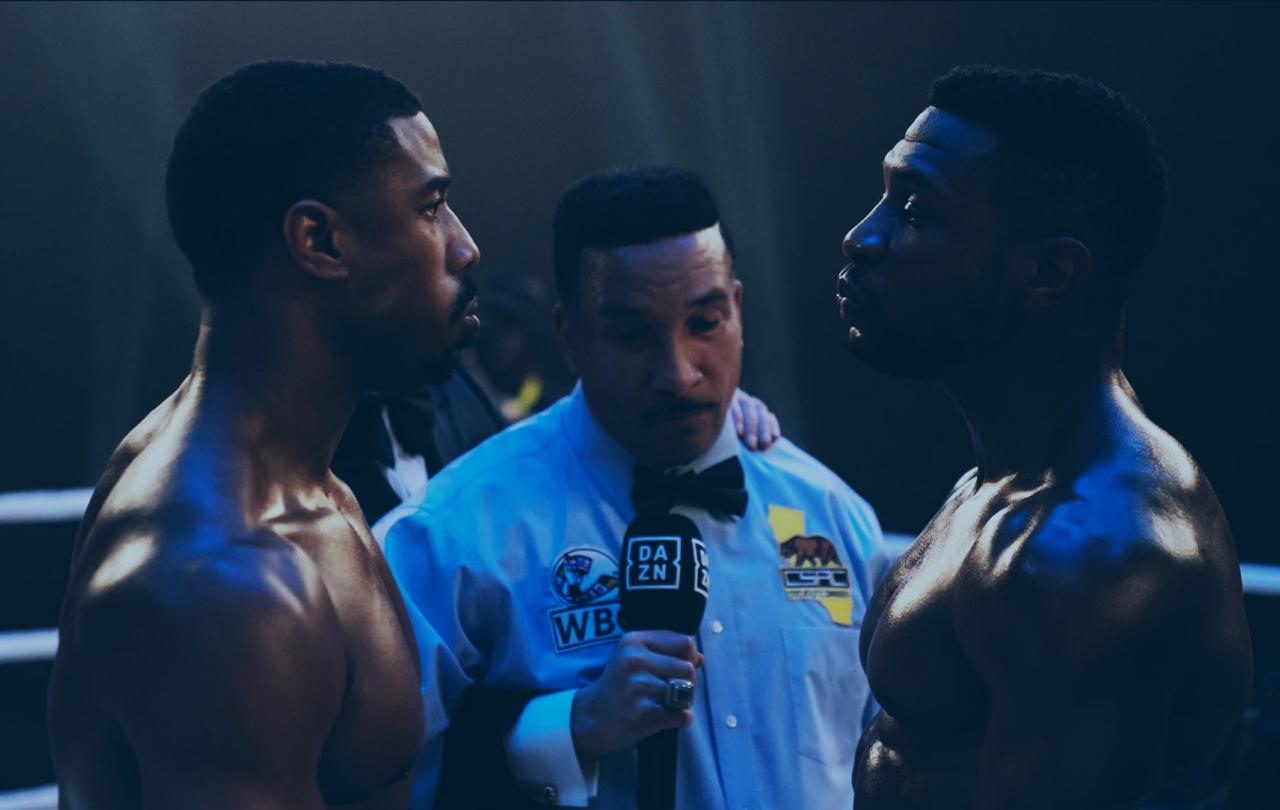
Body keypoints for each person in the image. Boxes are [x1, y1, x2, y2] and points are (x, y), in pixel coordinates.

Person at [378, 166, 886, 809]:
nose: (677, 375)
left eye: (705, 323)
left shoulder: (830, 513)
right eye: (633, 334)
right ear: (570, 337)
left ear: (737, 306)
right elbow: (373, 787)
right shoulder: (451, 535)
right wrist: (572, 727)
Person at [48, 60, 481, 808]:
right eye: (430, 206)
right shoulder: (224, 586)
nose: (464, 246)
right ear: (319, 240)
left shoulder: (284, 480)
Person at [838, 65, 1254, 809]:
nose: (861, 238)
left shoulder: (1096, 552)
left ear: (1048, 272)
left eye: (913, 208)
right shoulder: (997, 484)